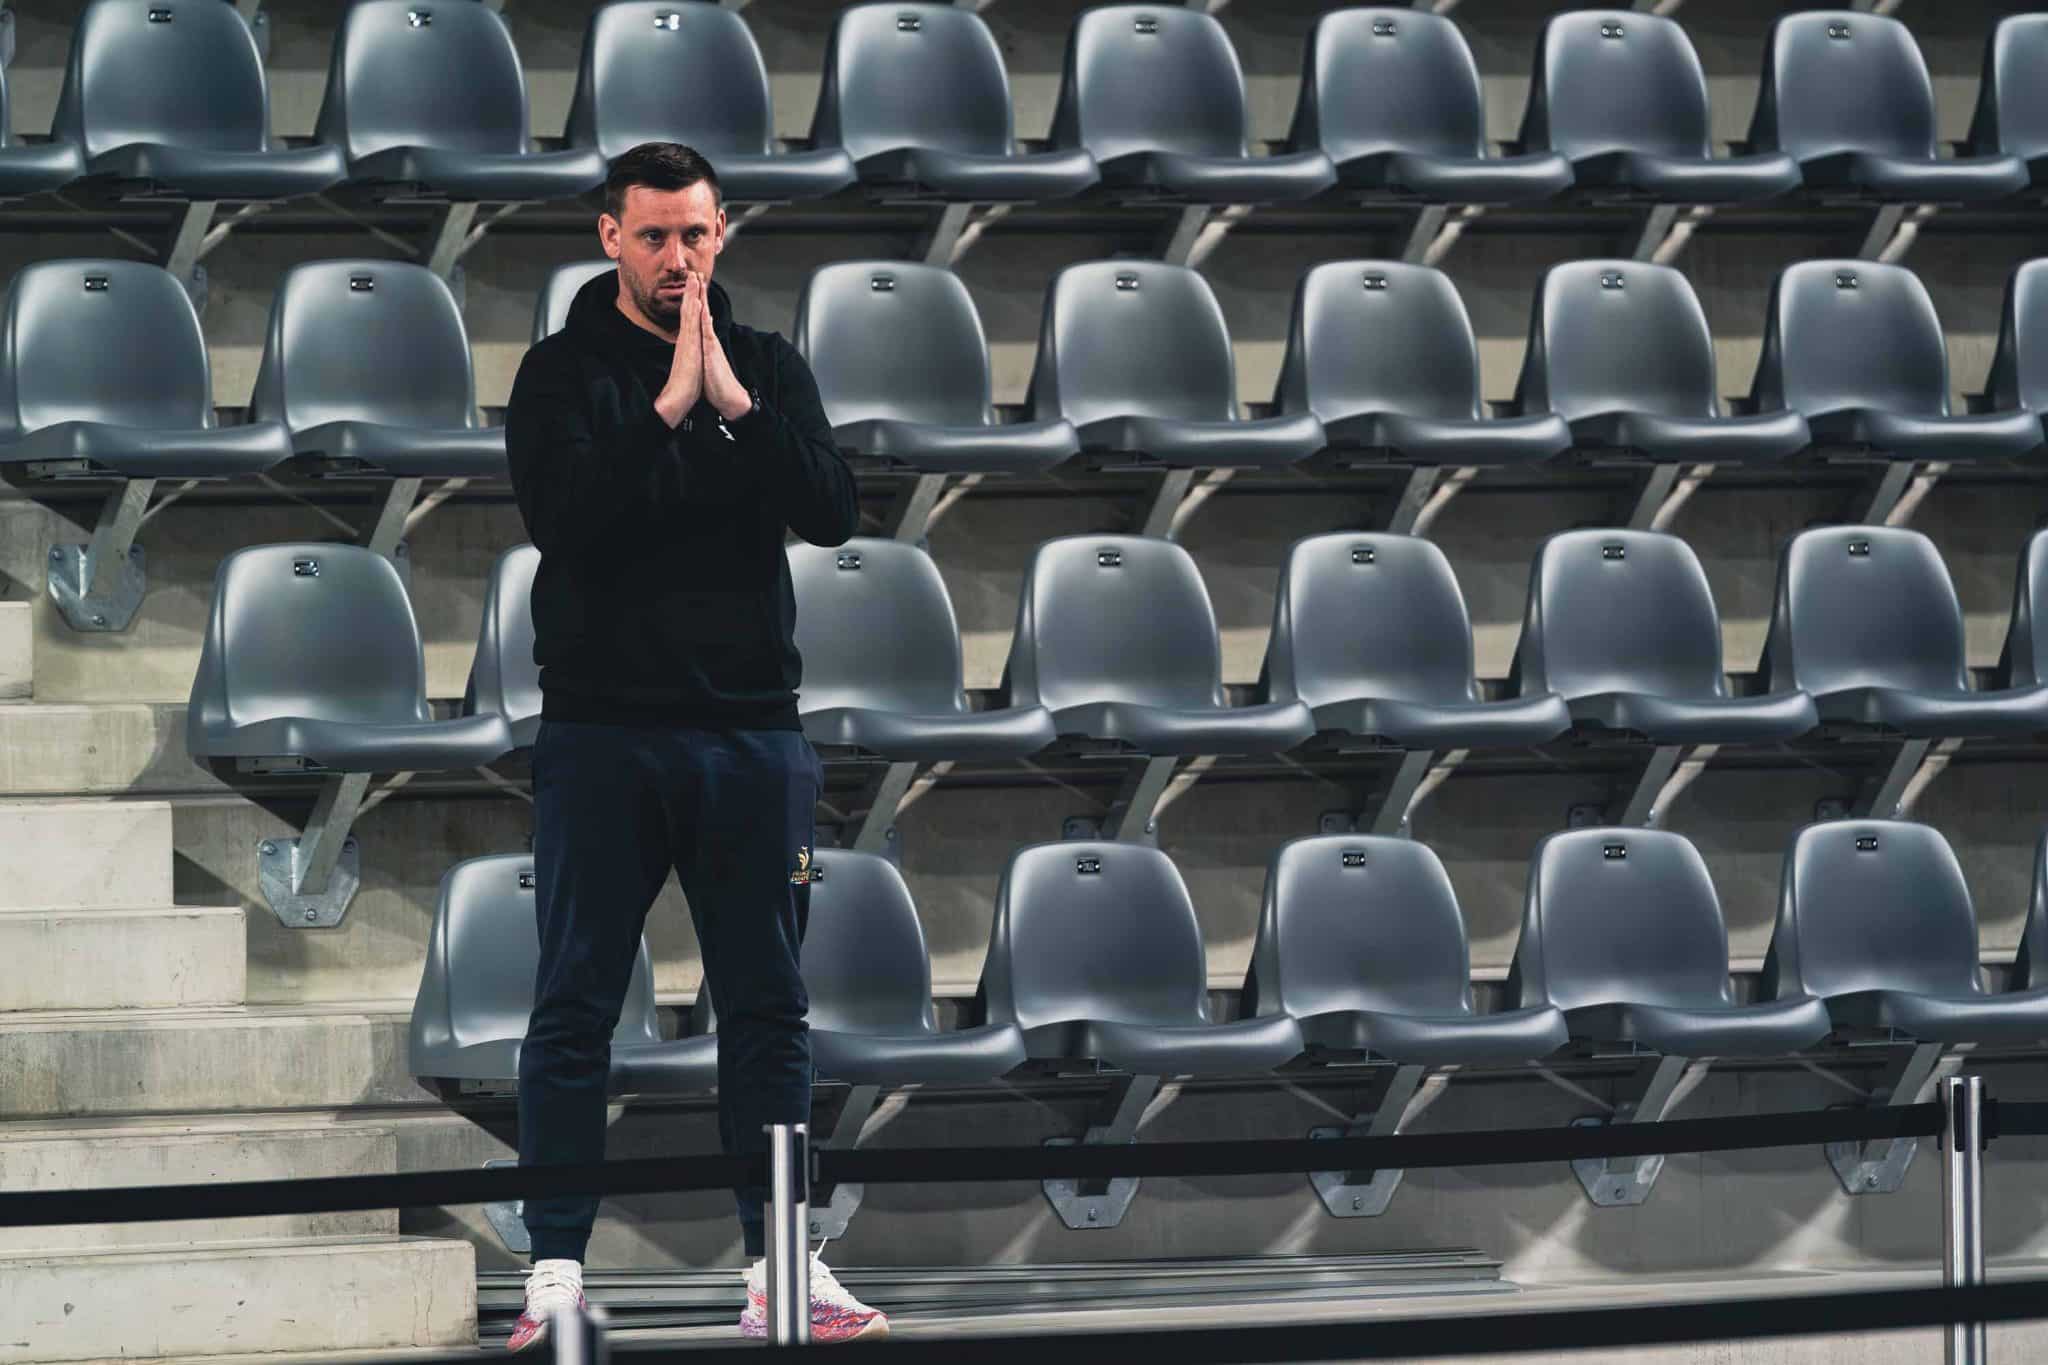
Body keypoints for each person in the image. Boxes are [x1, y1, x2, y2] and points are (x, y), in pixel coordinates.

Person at [500, 142, 883, 1349]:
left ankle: (780, 1266)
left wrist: (735, 409)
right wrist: (666, 408)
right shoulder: (559, 375)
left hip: (752, 738)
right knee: (573, 1006)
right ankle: (555, 1272)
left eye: (696, 235)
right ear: (610, 237)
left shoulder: (763, 365)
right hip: (601, 736)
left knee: (769, 1009)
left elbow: (831, 511)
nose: (679, 257)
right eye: (656, 235)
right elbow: (564, 521)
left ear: (723, 234)